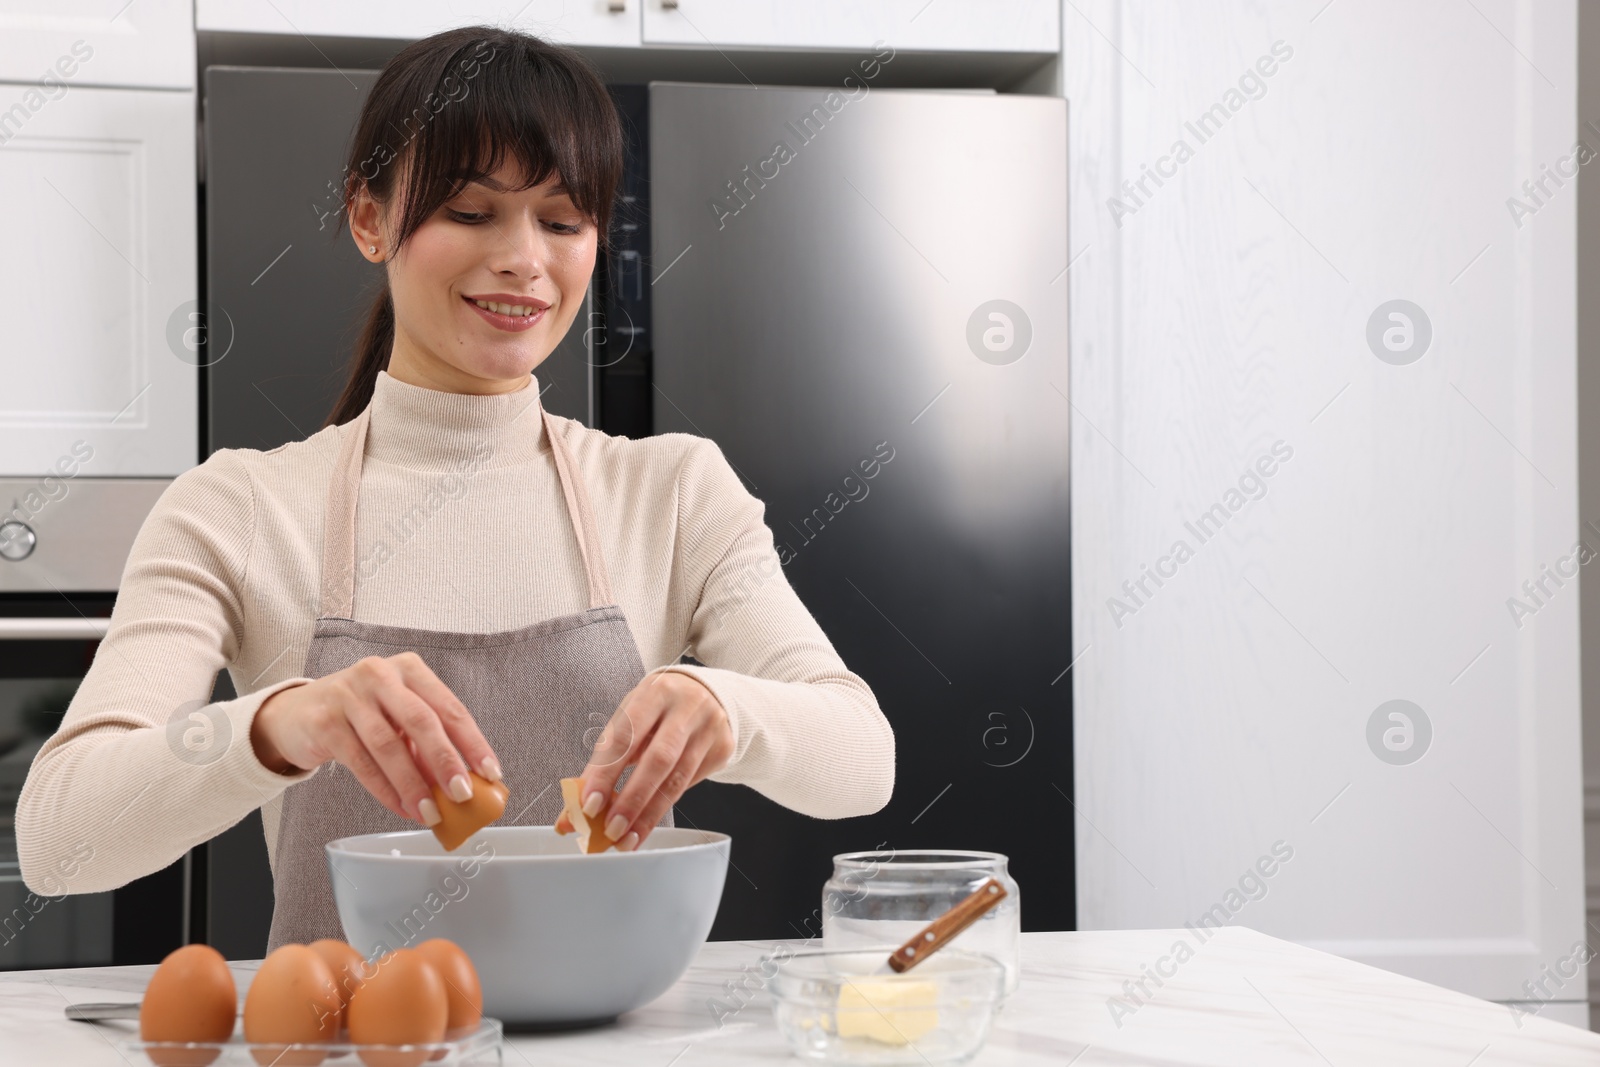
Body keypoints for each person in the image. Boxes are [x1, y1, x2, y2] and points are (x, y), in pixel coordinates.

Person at [15, 26, 894, 949]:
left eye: (562, 221)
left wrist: (729, 709)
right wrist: (278, 723)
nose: (525, 259)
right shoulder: (236, 508)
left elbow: (861, 759)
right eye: (472, 213)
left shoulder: (671, 490)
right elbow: (58, 840)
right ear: (369, 219)